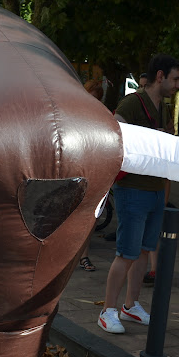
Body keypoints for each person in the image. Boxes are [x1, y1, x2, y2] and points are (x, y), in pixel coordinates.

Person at [98, 54, 179, 334]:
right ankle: (108, 310)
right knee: (127, 253)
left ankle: (130, 305)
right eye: (175, 79)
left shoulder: (164, 107)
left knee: (144, 252)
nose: (178, 85)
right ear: (160, 76)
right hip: (132, 190)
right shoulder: (133, 103)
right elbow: (114, 135)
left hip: (156, 190)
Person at [77, 79, 107, 272]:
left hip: (92, 170)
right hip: (76, 169)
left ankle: (84, 256)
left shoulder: (100, 116)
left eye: (96, 99)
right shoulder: (74, 112)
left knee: (89, 217)